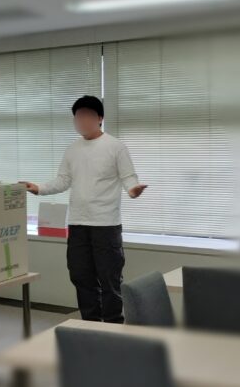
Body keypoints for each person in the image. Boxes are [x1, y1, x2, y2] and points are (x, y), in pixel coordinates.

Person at [21, 95, 147, 323]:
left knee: (109, 278)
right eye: (78, 117)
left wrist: (133, 190)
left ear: (100, 118)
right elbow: (63, 180)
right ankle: (91, 323)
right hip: (78, 224)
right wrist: (38, 188)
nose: (82, 121)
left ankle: (113, 325)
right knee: (80, 276)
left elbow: (129, 177)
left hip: (106, 224)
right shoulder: (72, 149)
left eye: (87, 116)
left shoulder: (115, 146)